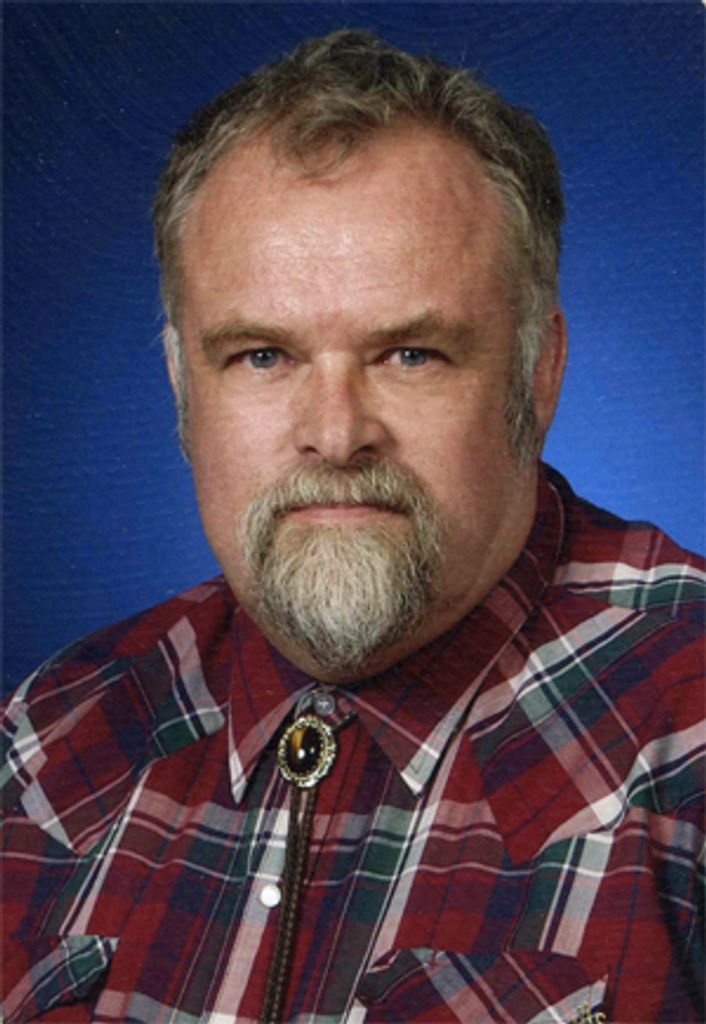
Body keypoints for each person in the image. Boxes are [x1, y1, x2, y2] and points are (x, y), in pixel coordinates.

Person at [1, 28, 703, 1024]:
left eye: (411, 354)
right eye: (261, 356)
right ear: (181, 385)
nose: (334, 436)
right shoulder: (47, 745)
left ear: (538, 373)